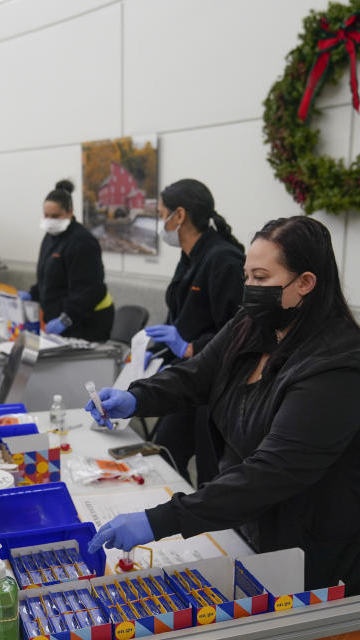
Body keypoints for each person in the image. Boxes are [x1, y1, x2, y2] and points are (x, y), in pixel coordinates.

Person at [85, 216, 360, 596]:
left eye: (261, 277)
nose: (249, 289)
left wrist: (160, 521)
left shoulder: (337, 366)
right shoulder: (252, 323)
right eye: (246, 277)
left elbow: (272, 472)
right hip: (259, 519)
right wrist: (138, 397)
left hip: (331, 542)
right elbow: (197, 374)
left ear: (305, 283)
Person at [143, 179, 245, 483]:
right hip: (188, 377)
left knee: (210, 473)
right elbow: (179, 317)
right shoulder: (189, 256)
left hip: (217, 383)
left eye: (162, 216)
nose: (162, 224)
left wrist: (191, 347)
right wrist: (148, 354)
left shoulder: (223, 259)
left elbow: (241, 330)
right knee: (163, 454)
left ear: (180, 215)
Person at [20, 180, 114, 341]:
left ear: (70, 212)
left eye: (55, 216)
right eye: (46, 215)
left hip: (87, 321)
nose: (49, 220)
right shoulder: (51, 237)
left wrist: (67, 318)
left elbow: (89, 288)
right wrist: (33, 293)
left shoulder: (82, 242)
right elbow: (49, 277)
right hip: (61, 319)